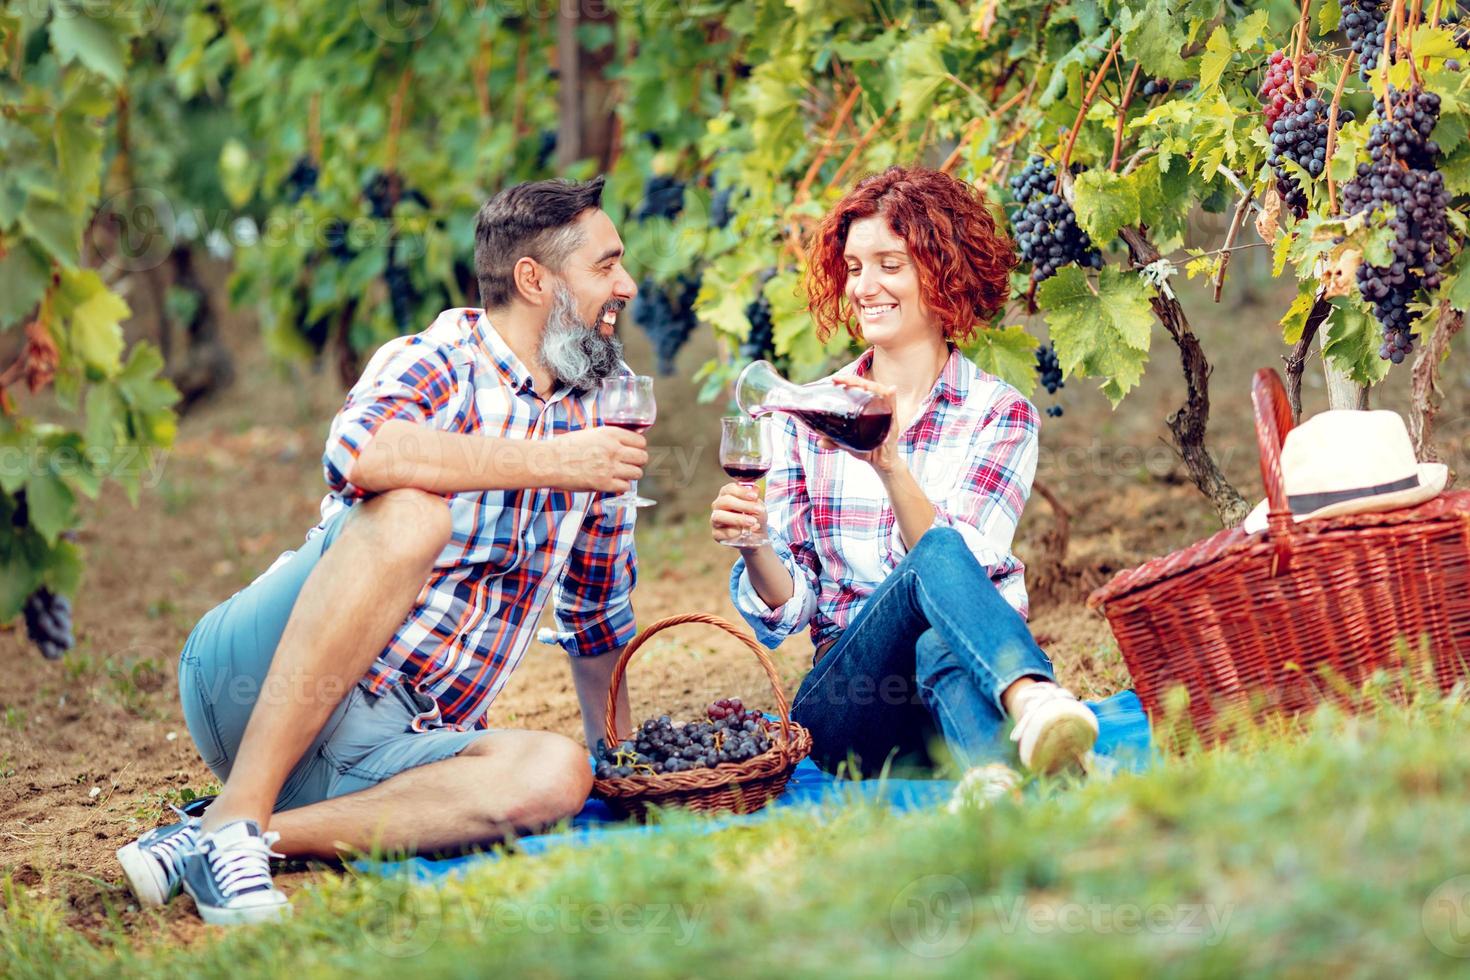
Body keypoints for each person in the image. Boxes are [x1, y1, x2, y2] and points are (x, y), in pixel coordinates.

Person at [116, 177, 649, 925]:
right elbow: (359, 451)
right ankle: (239, 807)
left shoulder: (608, 403)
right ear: (535, 279)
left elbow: (595, 611)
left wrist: (623, 768)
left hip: (392, 748)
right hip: (258, 681)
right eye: (606, 264)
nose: (626, 283)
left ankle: (223, 836)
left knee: (560, 773)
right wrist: (562, 462)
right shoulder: (441, 355)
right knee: (410, 515)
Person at [710, 166, 1098, 781]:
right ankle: (1032, 697)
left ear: (945, 272)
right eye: (856, 266)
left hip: (954, 679)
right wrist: (755, 544)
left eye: (890, 265)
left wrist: (888, 466)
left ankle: (995, 784)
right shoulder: (806, 415)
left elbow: (963, 570)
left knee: (939, 636)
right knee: (936, 557)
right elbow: (790, 608)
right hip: (852, 705)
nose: (865, 286)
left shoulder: (1001, 415)